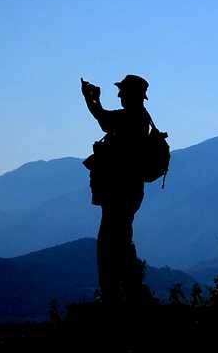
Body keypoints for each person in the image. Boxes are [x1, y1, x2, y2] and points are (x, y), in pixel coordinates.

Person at [81, 74, 153, 304]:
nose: (120, 95)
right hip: (128, 191)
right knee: (119, 240)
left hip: (121, 192)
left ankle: (116, 295)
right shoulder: (138, 117)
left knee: (110, 243)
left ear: (132, 95)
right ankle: (126, 291)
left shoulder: (132, 118)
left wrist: (91, 100)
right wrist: (93, 101)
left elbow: (104, 120)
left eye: (122, 91)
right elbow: (105, 120)